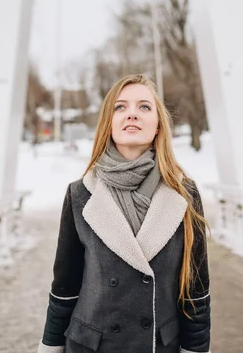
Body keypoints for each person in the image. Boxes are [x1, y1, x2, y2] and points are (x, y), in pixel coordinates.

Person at [37, 74, 211, 353]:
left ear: (157, 126)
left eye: (144, 107)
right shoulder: (80, 194)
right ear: (109, 123)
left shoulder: (184, 195)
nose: (132, 113)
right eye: (120, 107)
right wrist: (50, 348)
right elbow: (64, 289)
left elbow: (195, 294)